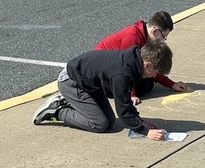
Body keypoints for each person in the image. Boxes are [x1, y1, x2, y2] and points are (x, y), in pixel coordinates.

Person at [32, 39, 173, 140]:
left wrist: (139, 121)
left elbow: (126, 103)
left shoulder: (135, 61)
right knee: (99, 124)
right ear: (147, 65)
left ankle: (71, 102)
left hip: (89, 84)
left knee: (110, 122)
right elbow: (123, 108)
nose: (155, 76)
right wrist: (144, 131)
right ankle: (57, 110)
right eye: (155, 72)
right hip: (71, 81)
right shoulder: (123, 73)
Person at [94, 11, 187, 103]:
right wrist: (131, 94)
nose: (163, 40)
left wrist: (172, 84)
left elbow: (153, 66)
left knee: (148, 81)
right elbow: (127, 68)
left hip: (115, 67)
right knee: (144, 85)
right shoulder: (132, 37)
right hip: (102, 73)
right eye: (164, 36)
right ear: (155, 31)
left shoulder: (144, 36)